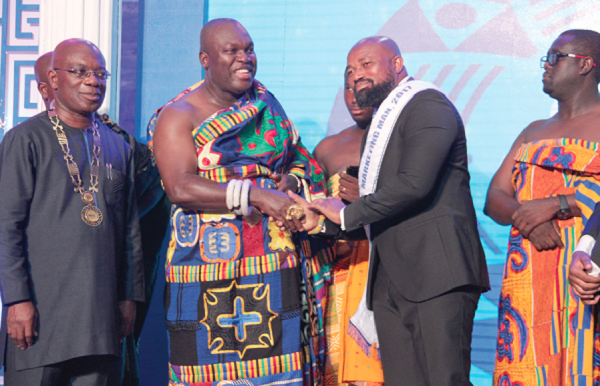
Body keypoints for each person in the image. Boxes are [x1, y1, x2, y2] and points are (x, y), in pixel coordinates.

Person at [294, 36, 489, 386]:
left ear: (397, 65)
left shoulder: (429, 105)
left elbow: (414, 184)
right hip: (388, 282)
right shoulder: (379, 128)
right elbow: (379, 210)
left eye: (367, 64)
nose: (356, 77)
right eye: (350, 71)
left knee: (444, 380)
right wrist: (323, 223)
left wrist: (345, 214)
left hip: (437, 275)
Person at [149, 18, 326, 386]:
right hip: (201, 268)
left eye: (249, 49)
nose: (244, 58)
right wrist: (258, 195)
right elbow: (179, 186)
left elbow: (298, 158)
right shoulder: (178, 115)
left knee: (279, 373)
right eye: (232, 51)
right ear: (205, 58)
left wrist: (289, 180)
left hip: (272, 261)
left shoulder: (264, 102)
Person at [0, 38, 144, 385]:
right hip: (39, 320)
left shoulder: (118, 147)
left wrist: (130, 297)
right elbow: (7, 226)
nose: (93, 81)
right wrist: (17, 300)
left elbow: (130, 233)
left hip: (100, 322)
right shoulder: (26, 139)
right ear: (54, 77)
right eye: (80, 72)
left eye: (99, 73)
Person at [484, 29, 600, 385]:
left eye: (555, 57)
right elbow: (495, 198)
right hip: (529, 277)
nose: (545, 67)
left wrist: (557, 204)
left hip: (584, 275)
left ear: (585, 65)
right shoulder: (534, 131)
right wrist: (530, 220)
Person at [312, 79, 384, 386]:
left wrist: (367, 201)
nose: (353, 96)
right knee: (335, 365)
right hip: (338, 274)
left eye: (362, 85)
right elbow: (312, 214)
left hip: (384, 270)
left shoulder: (402, 142)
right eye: (346, 86)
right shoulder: (328, 148)